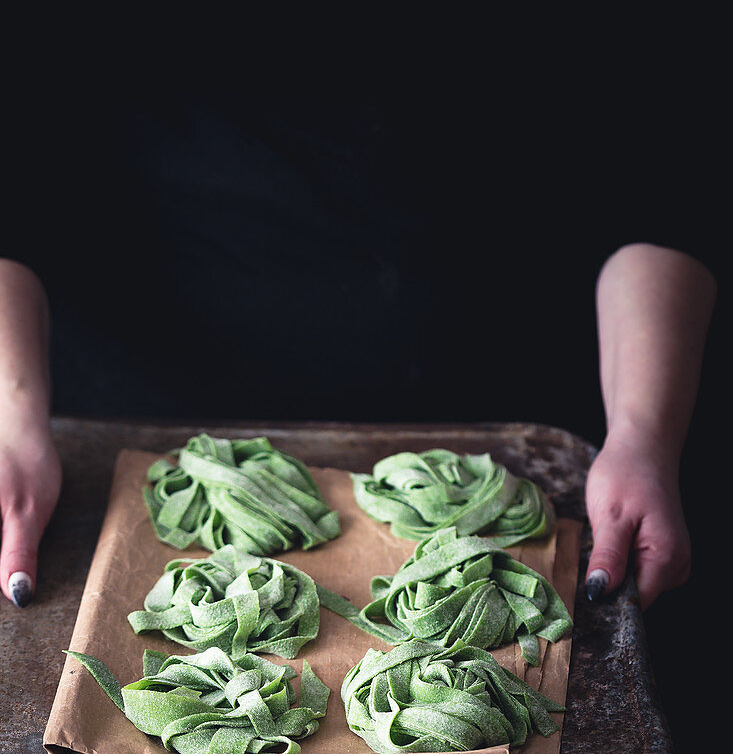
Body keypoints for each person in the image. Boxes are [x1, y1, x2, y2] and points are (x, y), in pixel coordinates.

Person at [0, 238, 717, 612]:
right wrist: (14, 427)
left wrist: (641, 434)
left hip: (502, 415)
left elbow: (650, 198)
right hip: (134, 421)